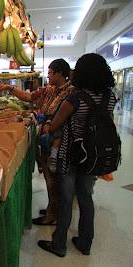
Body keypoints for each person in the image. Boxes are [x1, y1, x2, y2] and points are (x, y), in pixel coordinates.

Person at [37, 53, 116, 257]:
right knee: (85, 198)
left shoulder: (75, 99)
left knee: (65, 198)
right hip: (94, 156)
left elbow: (55, 125)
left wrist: (46, 125)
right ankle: (84, 242)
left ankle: (59, 244)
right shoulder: (110, 97)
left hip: (71, 154)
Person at [0, 59, 75, 225]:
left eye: (51, 72)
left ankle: (53, 213)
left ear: (60, 73)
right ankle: (53, 207)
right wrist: (9, 88)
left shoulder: (71, 92)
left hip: (59, 142)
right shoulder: (49, 90)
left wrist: (50, 125)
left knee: (55, 178)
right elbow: (29, 97)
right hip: (47, 139)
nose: (48, 75)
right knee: (49, 175)